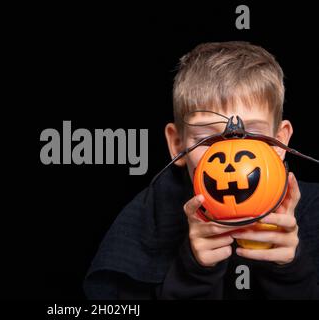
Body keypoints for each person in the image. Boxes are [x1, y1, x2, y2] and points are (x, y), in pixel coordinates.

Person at [83, 41, 319, 299]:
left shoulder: (314, 207)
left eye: (250, 135)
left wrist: (290, 269)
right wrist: (193, 272)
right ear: (176, 145)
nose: (232, 159)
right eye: (207, 140)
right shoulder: (151, 213)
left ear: (280, 142)